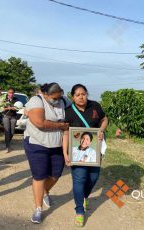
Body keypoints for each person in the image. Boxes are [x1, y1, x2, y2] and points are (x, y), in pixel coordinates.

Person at [63, 84, 108, 227]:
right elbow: (65, 133)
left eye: (83, 94)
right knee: (79, 179)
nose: (81, 97)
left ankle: (85, 196)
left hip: (94, 151)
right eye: (77, 95)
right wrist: (65, 152)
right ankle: (79, 211)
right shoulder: (68, 111)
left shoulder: (95, 106)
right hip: (76, 153)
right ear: (73, 97)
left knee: (93, 177)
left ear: (87, 94)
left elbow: (104, 119)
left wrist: (101, 130)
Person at [23, 82, 69, 224]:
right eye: (54, 98)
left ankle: (45, 192)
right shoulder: (36, 100)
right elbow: (40, 123)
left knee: (56, 174)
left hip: (57, 145)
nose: (56, 100)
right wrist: (61, 125)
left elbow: (75, 113)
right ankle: (38, 209)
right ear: (45, 94)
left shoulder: (64, 101)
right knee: (39, 176)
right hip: (37, 143)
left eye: (58, 97)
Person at [2, 87, 19, 152]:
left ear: (13, 93)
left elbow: (18, 107)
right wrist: (8, 108)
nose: (11, 94)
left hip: (13, 117)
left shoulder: (16, 99)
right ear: (7, 92)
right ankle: (7, 146)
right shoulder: (4, 99)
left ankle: (7, 142)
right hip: (5, 116)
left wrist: (15, 108)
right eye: (10, 93)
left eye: (12, 93)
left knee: (12, 132)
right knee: (7, 131)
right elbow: (1, 108)